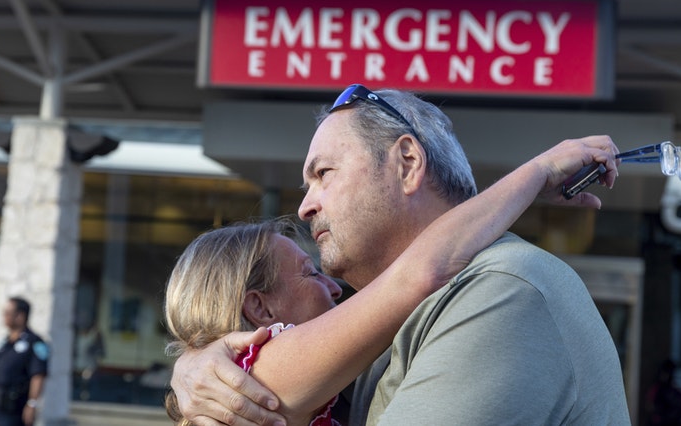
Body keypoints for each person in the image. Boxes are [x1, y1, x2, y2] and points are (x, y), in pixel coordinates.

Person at [171, 84, 631, 425]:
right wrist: (194, 363)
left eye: (324, 173)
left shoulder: (502, 289)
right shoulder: (400, 323)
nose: (305, 205)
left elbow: (422, 269)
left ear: (407, 163)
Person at [0, 297, 48, 426]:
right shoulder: (4, 342)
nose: (4, 317)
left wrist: (32, 404)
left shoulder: (34, 342)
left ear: (20, 316)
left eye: (8, 313)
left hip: (12, 408)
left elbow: (38, 375)